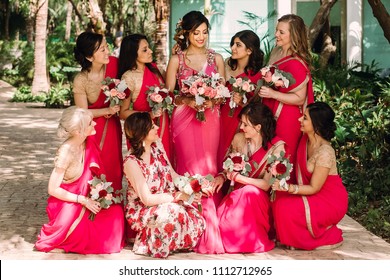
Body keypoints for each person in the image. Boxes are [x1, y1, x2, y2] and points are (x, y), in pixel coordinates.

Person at [165, 10, 225, 254]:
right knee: (190, 169)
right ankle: (190, 227)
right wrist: (187, 100)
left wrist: (214, 100)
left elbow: (223, 92)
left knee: (209, 168)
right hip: (183, 120)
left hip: (211, 119)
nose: (201, 37)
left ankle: (211, 228)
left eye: (204, 32)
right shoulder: (176, 60)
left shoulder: (217, 58)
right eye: (195, 32)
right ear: (186, 34)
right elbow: (169, 95)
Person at [35, 106, 124, 254]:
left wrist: (99, 195)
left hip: (86, 199)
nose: (95, 124)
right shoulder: (66, 152)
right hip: (69, 203)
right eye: (90, 123)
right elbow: (53, 189)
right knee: (100, 233)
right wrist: (83, 200)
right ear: (78, 131)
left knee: (116, 213)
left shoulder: (87, 142)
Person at [123, 112, 206, 258]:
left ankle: (173, 242)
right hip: (143, 208)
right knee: (172, 210)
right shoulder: (131, 162)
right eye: (152, 125)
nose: (156, 127)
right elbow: (147, 199)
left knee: (193, 213)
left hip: (166, 200)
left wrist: (194, 187)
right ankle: (151, 243)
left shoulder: (157, 149)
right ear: (142, 131)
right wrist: (179, 196)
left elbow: (173, 175)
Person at [271, 102, 348, 250]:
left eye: (305, 118)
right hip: (314, 193)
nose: (300, 119)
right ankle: (296, 238)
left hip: (330, 199)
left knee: (287, 207)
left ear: (316, 124)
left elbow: (314, 188)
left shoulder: (325, 152)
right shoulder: (305, 140)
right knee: (279, 201)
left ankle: (324, 237)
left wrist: (288, 187)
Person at [213, 102, 285, 253]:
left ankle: (250, 241)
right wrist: (221, 176)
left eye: (245, 124)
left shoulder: (277, 147)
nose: (241, 127)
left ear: (258, 127)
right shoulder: (239, 139)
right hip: (236, 194)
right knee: (222, 224)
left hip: (259, 198)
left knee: (249, 192)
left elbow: (266, 184)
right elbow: (227, 167)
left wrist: (240, 179)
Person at [258, 14, 315, 183]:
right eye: (277, 30)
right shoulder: (276, 52)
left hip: (286, 118)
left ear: (294, 35)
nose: (276, 34)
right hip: (270, 112)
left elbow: (299, 98)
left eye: (282, 32)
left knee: (282, 157)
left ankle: (283, 197)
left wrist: (273, 94)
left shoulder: (297, 63)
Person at [73, 31, 124, 193]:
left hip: (112, 129)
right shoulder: (81, 80)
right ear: (89, 57)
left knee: (113, 167)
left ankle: (113, 207)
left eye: (106, 46)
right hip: (92, 130)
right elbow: (82, 113)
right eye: (102, 49)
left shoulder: (115, 65)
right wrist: (107, 110)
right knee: (93, 170)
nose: (107, 51)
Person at [118, 33, 171, 161]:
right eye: (145, 49)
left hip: (164, 125)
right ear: (133, 53)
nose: (150, 51)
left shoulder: (154, 69)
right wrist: (149, 115)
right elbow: (122, 112)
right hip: (143, 130)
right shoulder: (127, 77)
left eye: (148, 47)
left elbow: (169, 88)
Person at [217, 30, 264, 170]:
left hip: (238, 121)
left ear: (249, 50)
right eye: (233, 44)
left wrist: (243, 103)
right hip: (219, 115)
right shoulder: (226, 66)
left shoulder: (257, 76)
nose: (233, 48)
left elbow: (258, 106)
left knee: (230, 153)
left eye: (238, 45)